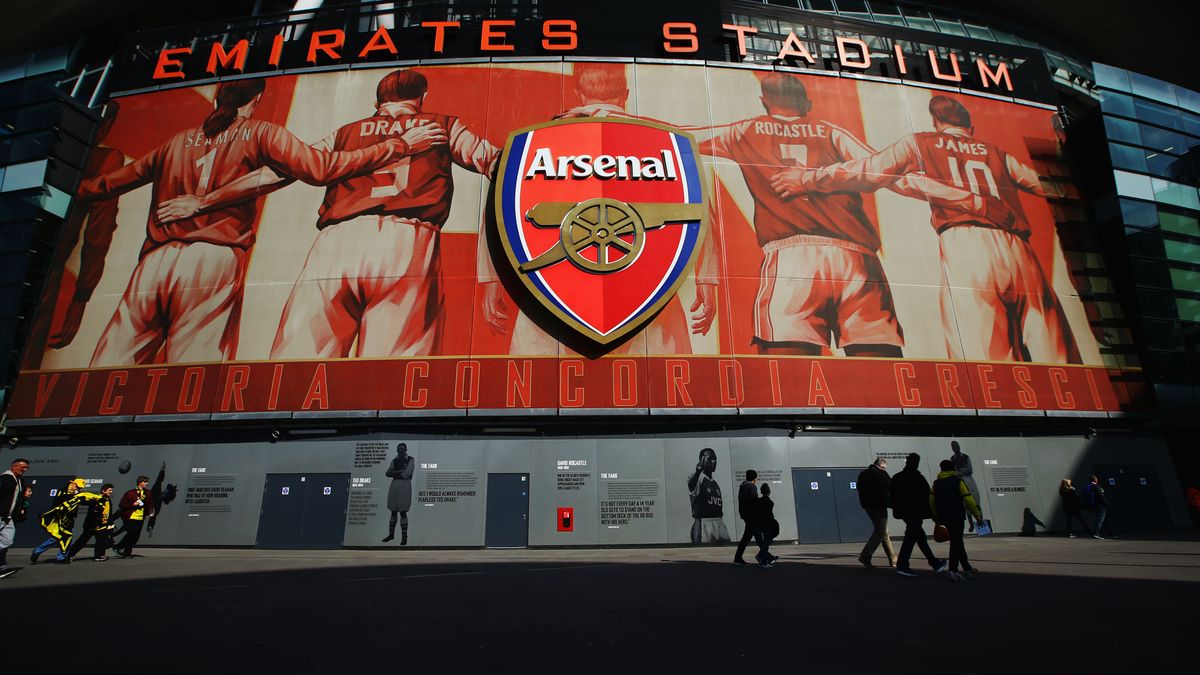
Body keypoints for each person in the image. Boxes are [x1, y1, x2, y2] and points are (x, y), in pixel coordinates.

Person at [74, 78, 418, 365]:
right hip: (213, 257)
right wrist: (396, 146)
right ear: (256, 99)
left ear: (216, 100)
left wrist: (62, 182)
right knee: (193, 370)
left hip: (153, 262)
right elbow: (321, 169)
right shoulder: (263, 133)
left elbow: (106, 185)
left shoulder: (176, 142)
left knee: (110, 365)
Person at [696, 74, 999, 357]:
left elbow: (682, 135)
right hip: (859, 259)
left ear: (764, 103)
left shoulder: (743, 131)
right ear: (808, 106)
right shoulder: (832, 132)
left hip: (793, 258)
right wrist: (973, 201)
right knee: (880, 365)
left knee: (789, 368)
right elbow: (892, 176)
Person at [771, 94, 1079, 363]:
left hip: (965, 240)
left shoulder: (922, 142)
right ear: (969, 127)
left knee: (984, 349)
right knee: (1051, 343)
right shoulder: (995, 153)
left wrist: (809, 179)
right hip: (1017, 244)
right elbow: (1050, 188)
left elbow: (871, 171)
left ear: (935, 122)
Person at [482, 63, 718, 352]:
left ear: (578, 93)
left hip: (549, 300)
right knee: (655, 384)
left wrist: (492, 278)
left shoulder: (534, 142)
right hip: (646, 301)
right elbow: (701, 210)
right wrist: (709, 280)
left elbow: (500, 209)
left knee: (542, 387)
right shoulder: (666, 142)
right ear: (626, 94)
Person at [890, 453, 947, 577]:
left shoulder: (897, 477)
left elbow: (893, 496)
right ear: (917, 463)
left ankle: (934, 563)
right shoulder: (918, 478)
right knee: (912, 538)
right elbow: (927, 497)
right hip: (916, 513)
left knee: (918, 537)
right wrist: (934, 516)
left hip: (904, 513)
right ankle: (903, 565)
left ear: (906, 462)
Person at [930, 459, 984, 581]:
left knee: (957, 541)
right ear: (953, 469)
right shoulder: (958, 481)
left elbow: (931, 501)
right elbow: (968, 499)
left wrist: (936, 517)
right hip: (957, 516)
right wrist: (977, 516)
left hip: (944, 516)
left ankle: (967, 568)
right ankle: (953, 570)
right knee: (956, 542)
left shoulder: (936, 483)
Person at [30, 478, 84, 563]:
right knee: (55, 538)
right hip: (59, 518)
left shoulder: (77, 493)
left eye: (80, 488)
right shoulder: (62, 492)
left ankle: (61, 557)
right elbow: (55, 506)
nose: (78, 489)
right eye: (77, 486)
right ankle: (38, 551)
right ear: (73, 483)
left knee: (67, 538)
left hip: (69, 519)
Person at [856, 457, 896, 568]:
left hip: (868, 506)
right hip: (879, 505)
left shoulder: (863, 474)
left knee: (884, 532)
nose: (884, 469)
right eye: (884, 467)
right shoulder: (880, 474)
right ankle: (865, 556)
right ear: (881, 465)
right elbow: (890, 485)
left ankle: (893, 559)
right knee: (880, 532)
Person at [687, 448, 730, 543]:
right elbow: (691, 485)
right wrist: (698, 472)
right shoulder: (698, 478)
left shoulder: (714, 482)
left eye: (715, 459)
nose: (714, 461)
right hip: (705, 523)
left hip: (719, 522)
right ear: (701, 460)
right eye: (710, 458)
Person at [65, 483, 115, 563]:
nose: (111, 492)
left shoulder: (108, 499)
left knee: (101, 540)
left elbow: (109, 512)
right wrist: (96, 512)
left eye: (111, 490)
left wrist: (109, 522)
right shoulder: (96, 498)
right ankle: (69, 556)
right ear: (103, 491)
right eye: (109, 490)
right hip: (91, 525)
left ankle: (98, 556)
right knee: (82, 541)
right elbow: (90, 508)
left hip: (102, 525)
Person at [734, 469, 771, 567]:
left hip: (746, 516)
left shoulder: (742, 487)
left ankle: (738, 558)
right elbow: (754, 503)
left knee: (746, 538)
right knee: (759, 538)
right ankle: (765, 558)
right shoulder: (752, 487)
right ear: (754, 478)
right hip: (752, 517)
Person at [0, 458, 30, 578]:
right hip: (1, 515)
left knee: (7, 540)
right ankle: (2, 568)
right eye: (22, 467)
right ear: (13, 467)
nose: (24, 469)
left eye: (26, 468)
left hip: (9, 517)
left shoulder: (19, 481)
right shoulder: (5, 479)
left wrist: (20, 510)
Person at [383, 443, 416, 544]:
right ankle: (391, 535)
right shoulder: (394, 460)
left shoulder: (410, 459)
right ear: (397, 450)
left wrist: (395, 472)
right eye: (399, 448)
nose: (401, 450)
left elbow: (407, 474)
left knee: (403, 512)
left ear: (406, 449)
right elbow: (387, 473)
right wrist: (399, 471)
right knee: (393, 510)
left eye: (402, 448)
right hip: (394, 485)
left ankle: (404, 537)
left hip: (404, 486)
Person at [114, 475, 153, 558]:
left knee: (136, 536)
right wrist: (133, 504)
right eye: (145, 482)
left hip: (140, 517)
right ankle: (118, 547)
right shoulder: (130, 493)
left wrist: (150, 511)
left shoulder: (148, 493)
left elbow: (150, 504)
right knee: (132, 533)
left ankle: (126, 553)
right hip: (130, 516)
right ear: (140, 482)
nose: (147, 483)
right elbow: (122, 504)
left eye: (147, 482)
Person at [950, 441, 982, 533]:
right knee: (966, 505)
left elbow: (970, 470)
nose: (955, 448)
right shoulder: (952, 459)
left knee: (976, 502)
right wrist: (960, 472)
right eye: (953, 446)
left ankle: (980, 522)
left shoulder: (966, 457)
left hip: (969, 481)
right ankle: (972, 524)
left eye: (956, 446)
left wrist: (960, 471)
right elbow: (955, 471)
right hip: (960, 481)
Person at [1083, 475, 1114, 539]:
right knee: (1100, 520)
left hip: (1094, 506)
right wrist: (1107, 504)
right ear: (1095, 480)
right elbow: (1101, 496)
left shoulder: (1088, 487)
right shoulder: (1096, 487)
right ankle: (1095, 533)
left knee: (1103, 520)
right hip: (1101, 506)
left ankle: (1111, 534)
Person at [757, 483, 780, 563]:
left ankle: (763, 556)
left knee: (765, 541)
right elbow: (769, 514)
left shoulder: (758, 501)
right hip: (767, 523)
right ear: (769, 492)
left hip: (760, 523)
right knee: (767, 541)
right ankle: (763, 559)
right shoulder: (770, 502)